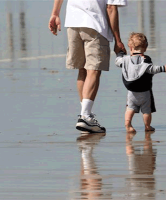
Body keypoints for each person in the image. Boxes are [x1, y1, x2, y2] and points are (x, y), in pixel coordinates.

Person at [48, 0, 127, 133]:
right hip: (95, 25)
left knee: (82, 70)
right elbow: (111, 8)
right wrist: (118, 40)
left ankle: (85, 115)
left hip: (73, 23)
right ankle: (85, 116)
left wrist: (55, 13)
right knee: (94, 70)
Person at [115, 32, 166, 133]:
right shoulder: (145, 61)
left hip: (131, 92)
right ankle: (147, 126)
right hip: (145, 92)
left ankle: (128, 124)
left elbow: (117, 61)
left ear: (130, 47)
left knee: (130, 108)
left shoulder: (125, 60)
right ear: (145, 48)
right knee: (146, 111)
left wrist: (120, 54)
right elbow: (152, 69)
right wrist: (163, 68)